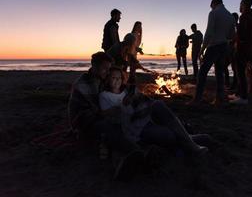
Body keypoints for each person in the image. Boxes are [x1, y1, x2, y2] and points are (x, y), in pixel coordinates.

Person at [99, 67, 208, 159]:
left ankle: (191, 144)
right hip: (133, 129)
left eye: (119, 78)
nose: (117, 81)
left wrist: (138, 98)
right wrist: (124, 105)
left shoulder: (127, 91)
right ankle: (193, 139)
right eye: (113, 78)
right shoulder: (104, 95)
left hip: (145, 119)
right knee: (169, 135)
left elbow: (145, 101)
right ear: (108, 79)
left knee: (158, 104)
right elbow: (108, 115)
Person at [68, 52, 144, 181]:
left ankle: (132, 153)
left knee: (123, 121)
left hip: (100, 117)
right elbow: (84, 116)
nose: (107, 72)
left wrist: (130, 95)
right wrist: (106, 113)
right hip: (84, 123)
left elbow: (125, 87)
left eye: (109, 69)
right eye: (105, 68)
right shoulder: (83, 84)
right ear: (94, 65)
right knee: (110, 128)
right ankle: (136, 153)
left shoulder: (102, 79)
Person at [189, 0, 235, 106]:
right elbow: (231, 35)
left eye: (211, 5)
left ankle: (197, 99)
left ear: (214, 3)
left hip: (214, 46)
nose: (211, 7)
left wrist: (202, 49)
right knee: (219, 73)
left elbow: (209, 33)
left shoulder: (213, 13)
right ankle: (219, 98)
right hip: (224, 46)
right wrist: (223, 36)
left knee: (202, 72)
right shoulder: (230, 16)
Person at [229, 0, 252, 104]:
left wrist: (235, 40)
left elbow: (242, 35)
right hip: (249, 49)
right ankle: (238, 94)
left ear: (244, 4)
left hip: (243, 49)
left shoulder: (244, 17)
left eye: (241, 3)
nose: (240, 5)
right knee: (240, 72)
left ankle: (243, 98)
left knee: (240, 73)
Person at [224, 12, 239, 89]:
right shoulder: (231, 27)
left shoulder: (238, 27)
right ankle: (227, 83)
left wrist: (230, 41)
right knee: (224, 66)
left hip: (235, 51)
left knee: (235, 69)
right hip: (229, 50)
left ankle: (234, 85)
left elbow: (237, 38)